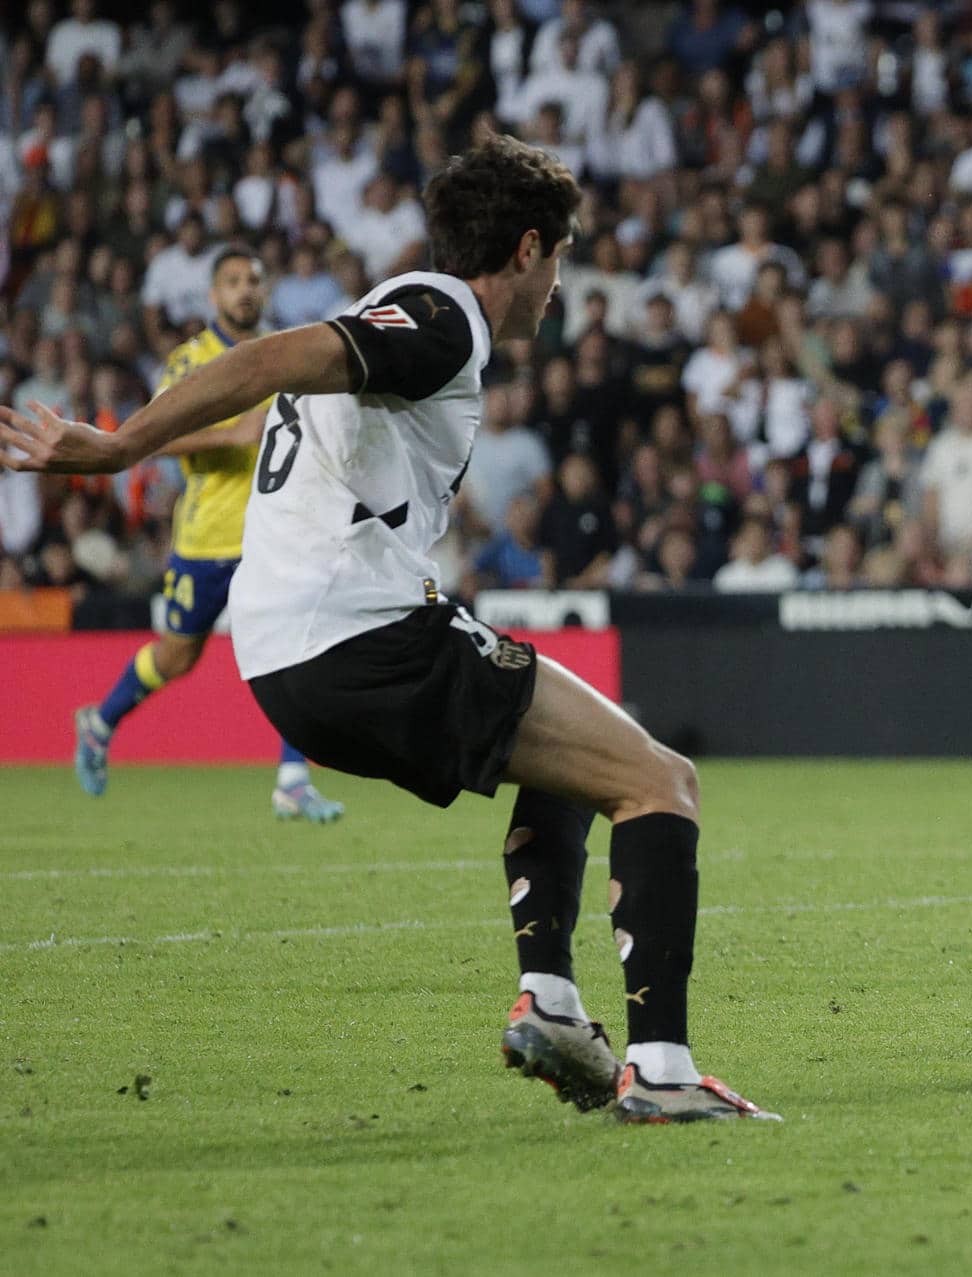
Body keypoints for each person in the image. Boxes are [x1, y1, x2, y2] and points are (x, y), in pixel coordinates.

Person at [0, 135, 775, 1124]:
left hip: (287, 655)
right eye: (564, 256)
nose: (562, 281)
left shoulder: (414, 311)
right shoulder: (446, 316)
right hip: (358, 637)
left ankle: (552, 1001)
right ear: (529, 249)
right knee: (662, 780)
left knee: (583, 748)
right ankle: (662, 1071)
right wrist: (119, 447)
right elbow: (277, 356)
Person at [72, 247, 345, 823]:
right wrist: (231, 436)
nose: (246, 289)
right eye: (233, 281)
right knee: (176, 658)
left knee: (300, 643)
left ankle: (292, 779)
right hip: (206, 537)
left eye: (254, 279)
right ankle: (99, 722)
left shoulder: (284, 353)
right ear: (214, 296)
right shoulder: (191, 362)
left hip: (276, 532)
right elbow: (149, 437)